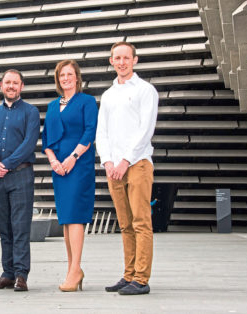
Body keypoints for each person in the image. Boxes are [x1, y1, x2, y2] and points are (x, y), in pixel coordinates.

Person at [97, 41, 158, 295]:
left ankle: (141, 279)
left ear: (135, 60)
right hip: (114, 168)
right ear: (111, 61)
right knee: (124, 224)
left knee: (141, 222)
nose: (121, 62)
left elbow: (145, 130)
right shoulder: (109, 95)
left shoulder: (146, 90)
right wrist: (108, 161)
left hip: (138, 164)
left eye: (126, 57)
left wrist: (125, 161)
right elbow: (103, 131)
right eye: (117, 58)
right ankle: (129, 274)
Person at [42, 59, 98, 292]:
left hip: (79, 164)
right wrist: (54, 160)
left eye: (69, 74)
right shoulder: (53, 106)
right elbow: (46, 139)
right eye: (61, 75)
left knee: (75, 217)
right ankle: (73, 269)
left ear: (77, 77)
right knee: (66, 220)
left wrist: (72, 157)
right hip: (59, 169)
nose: (65, 78)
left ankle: (75, 270)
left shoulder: (87, 101)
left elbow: (90, 131)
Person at [0, 70, 40, 292]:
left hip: (21, 175)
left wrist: (7, 163)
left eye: (15, 83)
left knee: (20, 227)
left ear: (21, 86)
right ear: (1, 85)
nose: (11, 86)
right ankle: (7, 273)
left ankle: (21, 274)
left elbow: (29, 143)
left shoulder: (31, 112)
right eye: (8, 82)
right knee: (4, 228)